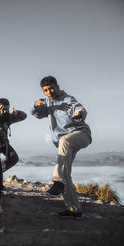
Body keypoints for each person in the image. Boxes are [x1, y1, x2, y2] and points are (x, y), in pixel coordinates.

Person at [31, 76, 92, 218]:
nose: (49, 92)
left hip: (81, 134)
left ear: (57, 86)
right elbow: (37, 114)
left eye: (51, 88)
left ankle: (57, 181)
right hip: (65, 143)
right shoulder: (47, 103)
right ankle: (74, 209)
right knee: (66, 175)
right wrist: (35, 105)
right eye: (45, 90)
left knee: (64, 140)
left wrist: (79, 114)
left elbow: (79, 109)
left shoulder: (68, 99)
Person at [0, 98, 27, 188]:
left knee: (14, 159)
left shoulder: (8, 117)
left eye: (6, 109)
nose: (4, 111)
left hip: (4, 144)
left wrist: (17, 113)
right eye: (2, 108)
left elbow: (24, 116)